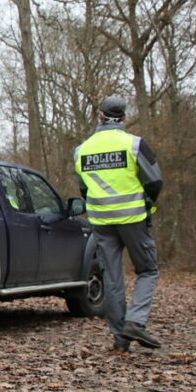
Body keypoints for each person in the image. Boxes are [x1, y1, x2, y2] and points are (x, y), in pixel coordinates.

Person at [74, 96, 164, 353]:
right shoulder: (134, 144)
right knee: (147, 270)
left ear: (100, 116)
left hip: (101, 221)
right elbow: (155, 182)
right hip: (133, 218)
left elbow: (84, 188)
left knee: (112, 278)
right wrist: (148, 204)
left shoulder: (81, 150)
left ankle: (120, 340)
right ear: (123, 118)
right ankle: (135, 321)